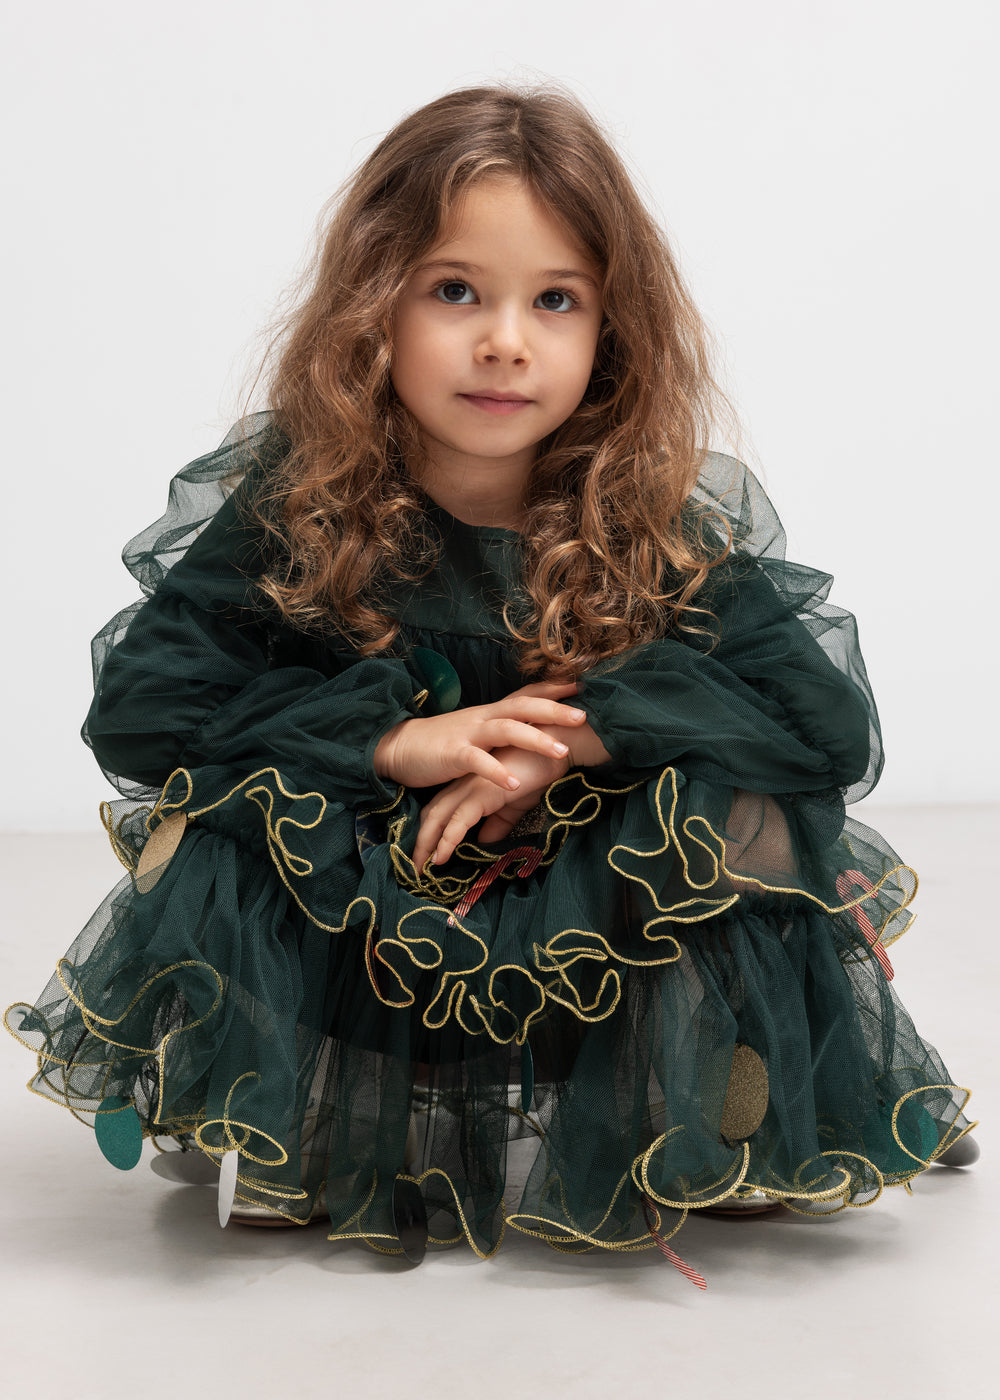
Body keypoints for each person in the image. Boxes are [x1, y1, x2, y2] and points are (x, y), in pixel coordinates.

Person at [5, 84, 976, 1284]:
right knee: (234, 811)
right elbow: (145, 706)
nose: (505, 340)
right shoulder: (303, 498)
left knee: (740, 812)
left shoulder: (648, 516)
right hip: (373, 914)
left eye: (555, 299)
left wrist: (584, 731)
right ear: (374, 304)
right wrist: (388, 744)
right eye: (456, 290)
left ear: (610, 331)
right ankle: (281, 1110)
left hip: (567, 945)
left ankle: (710, 1111)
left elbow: (823, 726)